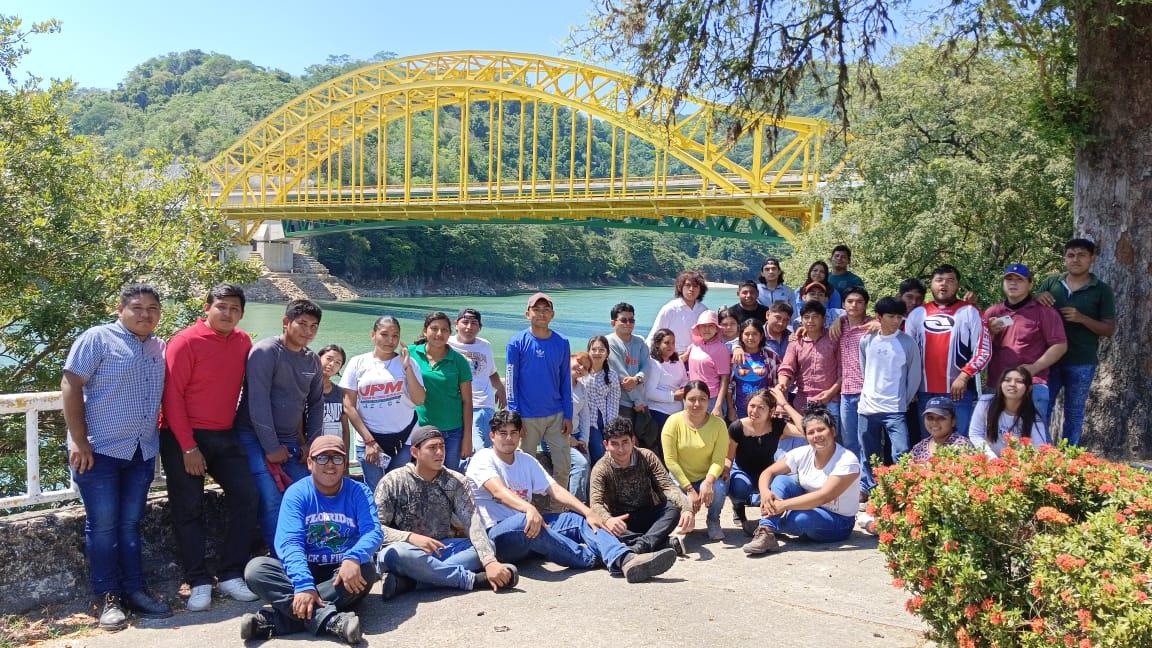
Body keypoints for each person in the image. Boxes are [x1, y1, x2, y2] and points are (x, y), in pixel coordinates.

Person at [61, 284, 173, 629]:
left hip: (141, 450)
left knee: (130, 523)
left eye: (152, 308)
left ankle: (135, 591)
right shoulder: (97, 338)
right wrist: (79, 441)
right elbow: (70, 384)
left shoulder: (159, 346)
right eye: (137, 307)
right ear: (120, 309)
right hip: (100, 450)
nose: (145, 314)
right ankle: (109, 598)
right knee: (104, 524)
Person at [466, 410, 679, 583]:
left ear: (521, 434)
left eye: (513, 432)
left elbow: (556, 490)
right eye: (502, 433)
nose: (509, 438)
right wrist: (530, 508)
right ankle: (600, 558)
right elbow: (498, 492)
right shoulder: (482, 458)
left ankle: (625, 558)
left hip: (530, 527)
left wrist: (588, 512)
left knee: (577, 520)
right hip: (498, 534)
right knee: (529, 519)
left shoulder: (525, 461)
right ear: (492, 436)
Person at [158, 284, 260, 612]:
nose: (227, 313)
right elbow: (171, 395)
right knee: (188, 507)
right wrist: (188, 447)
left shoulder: (243, 342)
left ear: (241, 314)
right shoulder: (184, 341)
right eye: (221, 307)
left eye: (234, 308)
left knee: (247, 496)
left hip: (224, 434)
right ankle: (198, 579)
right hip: (182, 435)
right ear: (207, 307)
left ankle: (231, 573)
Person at [240, 437, 381, 644]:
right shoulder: (297, 493)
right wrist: (304, 584)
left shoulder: (359, 491)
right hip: (303, 568)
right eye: (322, 458)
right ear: (310, 463)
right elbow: (289, 542)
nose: (330, 464)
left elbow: (373, 532)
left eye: (337, 458)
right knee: (256, 570)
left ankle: (273, 621)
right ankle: (331, 620)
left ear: (344, 464)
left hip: (340, 572)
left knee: (366, 570)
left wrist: (353, 558)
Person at [374, 426, 518, 598]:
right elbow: (375, 530)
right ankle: (474, 580)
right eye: (432, 447)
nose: (439, 452)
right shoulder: (393, 481)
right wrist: (410, 538)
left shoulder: (456, 481)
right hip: (406, 550)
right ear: (414, 452)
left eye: (442, 446)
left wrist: (490, 562)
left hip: (442, 549)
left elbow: (472, 522)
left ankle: (413, 581)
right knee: (396, 554)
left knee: (488, 546)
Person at [234, 299, 325, 550]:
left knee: (306, 493)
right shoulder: (266, 352)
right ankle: (282, 559)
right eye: (302, 324)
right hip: (254, 436)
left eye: (313, 326)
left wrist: (313, 444)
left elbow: (316, 404)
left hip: (290, 440)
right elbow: (258, 402)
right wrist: (271, 447)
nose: (308, 331)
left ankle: (311, 552)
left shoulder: (312, 361)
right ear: (286, 323)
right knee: (272, 498)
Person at [743, 406, 861, 554]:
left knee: (800, 518)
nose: (816, 435)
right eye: (811, 432)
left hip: (838, 521)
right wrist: (765, 492)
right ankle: (767, 529)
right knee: (781, 480)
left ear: (833, 431)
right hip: (809, 505)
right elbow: (769, 472)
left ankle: (770, 524)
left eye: (821, 429)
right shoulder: (804, 453)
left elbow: (823, 496)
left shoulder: (847, 460)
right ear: (806, 437)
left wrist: (783, 506)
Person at [1035, 238, 1116, 446]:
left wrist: (1082, 318)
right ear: (1064, 259)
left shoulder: (1102, 290)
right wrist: (1038, 297)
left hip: (1082, 360)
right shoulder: (1051, 283)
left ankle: (1069, 456)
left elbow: (1109, 329)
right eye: (1071, 255)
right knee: (1042, 407)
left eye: (1081, 255)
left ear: (1092, 259)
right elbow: (1031, 313)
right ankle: (1044, 451)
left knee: (1074, 412)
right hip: (1048, 359)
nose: (1075, 260)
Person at [341, 316, 426, 494]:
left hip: (404, 439)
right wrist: (369, 440)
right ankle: (376, 523)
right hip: (370, 441)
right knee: (376, 491)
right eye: (384, 334)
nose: (390, 340)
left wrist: (407, 366)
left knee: (400, 491)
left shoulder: (409, 363)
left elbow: (419, 400)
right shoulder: (358, 363)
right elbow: (349, 405)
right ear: (373, 335)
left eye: (395, 336)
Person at [904, 264, 991, 437]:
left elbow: (983, 351)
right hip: (924, 392)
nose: (944, 285)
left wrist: (964, 376)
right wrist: (910, 386)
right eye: (939, 280)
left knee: (960, 443)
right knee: (929, 443)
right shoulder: (917, 314)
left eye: (950, 280)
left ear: (958, 285)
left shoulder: (970, 311)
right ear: (931, 284)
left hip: (959, 391)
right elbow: (907, 355)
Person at [589, 418, 694, 557]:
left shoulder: (647, 456)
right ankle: (660, 543)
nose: (621, 449)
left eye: (625, 442)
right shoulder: (600, 468)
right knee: (600, 526)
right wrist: (608, 520)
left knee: (673, 508)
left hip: (649, 514)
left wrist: (687, 508)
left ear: (633, 441)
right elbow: (595, 503)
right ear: (606, 445)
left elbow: (668, 487)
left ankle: (640, 545)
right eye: (615, 444)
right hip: (621, 522)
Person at [507, 292, 574, 489]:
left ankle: (559, 510)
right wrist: (515, 417)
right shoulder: (516, 342)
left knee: (563, 466)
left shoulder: (562, 342)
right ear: (527, 314)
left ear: (552, 314)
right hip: (527, 417)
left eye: (546, 310)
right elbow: (511, 381)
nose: (541, 314)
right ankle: (527, 510)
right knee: (522, 466)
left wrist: (568, 415)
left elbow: (565, 381)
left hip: (556, 416)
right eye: (536, 310)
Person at [983, 264, 1067, 419]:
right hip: (997, 384)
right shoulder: (993, 312)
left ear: (1030, 284)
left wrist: (1034, 368)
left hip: (1031, 384)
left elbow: (1060, 345)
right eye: (1009, 279)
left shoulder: (1044, 311)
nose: (1013, 283)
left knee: (1033, 437)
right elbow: (979, 350)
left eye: (1019, 280)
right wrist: (990, 333)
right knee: (995, 436)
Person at [857, 297, 922, 493]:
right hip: (868, 407)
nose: (896, 321)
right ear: (879, 317)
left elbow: (914, 374)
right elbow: (864, 368)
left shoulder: (907, 342)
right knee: (868, 452)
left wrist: (905, 398)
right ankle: (869, 488)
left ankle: (902, 487)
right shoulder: (867, 340)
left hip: (895, 408)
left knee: (901, 450)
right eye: (891, 316)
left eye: (899, 317)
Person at [726, 386, 804, 536]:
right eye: (752, 406)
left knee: (779, 488)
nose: (754, 411)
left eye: (761, 408)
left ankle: (766, 524)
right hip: (743, 471)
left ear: (771, 410)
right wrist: (725, 471)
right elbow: (729, 457)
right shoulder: (737, 427)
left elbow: (806, 430)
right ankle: (738, 506)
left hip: (768, 473)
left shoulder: (778, 426)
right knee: (739, 487)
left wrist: (785, 405)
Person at [661, 381, 730, 540]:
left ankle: (713, 521)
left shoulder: (718, 425)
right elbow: (670, 461)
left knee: (719, 488)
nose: (697, 404)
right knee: (681, 518)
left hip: (705, 477)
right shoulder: (673, 422)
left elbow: (719, 460)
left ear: (709, 400)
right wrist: (690, 490)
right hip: (679, 479)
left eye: (703, 399)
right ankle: (684, 519)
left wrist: (708, 481)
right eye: (692, 399)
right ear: (684, 400)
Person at [409, 311, 474, 470]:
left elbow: (467, 401)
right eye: (434, 328)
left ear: (450, 333)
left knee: (449, 477)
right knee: (421, 477)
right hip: (420, 430)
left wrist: (467, 438)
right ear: (425, 331)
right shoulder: (410, 353)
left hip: (452, 432)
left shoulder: (458, 361)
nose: (439, 333)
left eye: (444, 330)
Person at [448, 308, 508, 453]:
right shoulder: (446, 344)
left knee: (488, 450)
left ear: (480, 327)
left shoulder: (485, 345)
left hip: (484, 406)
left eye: (474, 323)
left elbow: (491, 372)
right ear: (456, 324)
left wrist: (500, 389)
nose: (469, 327)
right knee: (475, 450)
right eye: (465, 322)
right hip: (458, 405)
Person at [831, 286, 873, 466]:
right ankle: (853, 479)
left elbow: (895, 328)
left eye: (859, 302)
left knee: (868, 440)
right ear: (843, 304)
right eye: (850, 301)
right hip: (846, 392)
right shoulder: (839, 326)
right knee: (849, 441)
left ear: (865, 305)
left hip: (867, 392)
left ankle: (868, 482)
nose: (854, 305)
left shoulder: (872, 326)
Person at [778, 301, 841, 419]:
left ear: (824, 319)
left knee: (832, 436)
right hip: (803, 401)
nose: (810, 321)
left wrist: (830, 393)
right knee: (805, 436)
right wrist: (782, 384)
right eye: (806, 317)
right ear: (801, 320)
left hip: (830, 401)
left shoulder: (834, 339)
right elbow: (786, 368)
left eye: (815, 317)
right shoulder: (796, 342)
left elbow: (842, 372)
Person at [607, 302, 655, 455]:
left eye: (631, 320)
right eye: (624, 320)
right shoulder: (609, 342)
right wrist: (637, 400)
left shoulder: (639, 342)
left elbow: (647, 366)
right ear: (613, 322)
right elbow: (620, 374)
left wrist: (638, 378)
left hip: (640, 401)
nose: (628, 323)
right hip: (623, 403)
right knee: (627, 443)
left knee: (650, 439)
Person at [970, 367, 1050, 458]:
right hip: (989, 463)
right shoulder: (985, 403)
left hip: (1018, 466)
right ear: (1000, 384)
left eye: (1019, 381)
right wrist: (993, 459)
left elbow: (1039, 448)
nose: (1012, 384)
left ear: (1029, 389)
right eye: (1007, 380)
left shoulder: (1033, 416)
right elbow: (975, 434)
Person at [644, 328, 688, 457]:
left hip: (678, 413)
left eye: (673, 343)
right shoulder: (654, 363)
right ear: (657, 344)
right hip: (659, 413)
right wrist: (673, 396)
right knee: (665, 451)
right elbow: (649, 392)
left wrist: (685, 388)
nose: (671, 346)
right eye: (667, 343)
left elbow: (684, 380)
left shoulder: (678, 361)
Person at [727, 319, 780, 420]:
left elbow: (776, 384)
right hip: (739, 409)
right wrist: (730, 408)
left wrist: (775, 407)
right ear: (741, 336)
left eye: (755, 334)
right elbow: (729, 386)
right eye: (747, 334)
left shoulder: (770, 356)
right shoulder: (733, 356)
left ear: (761, 336)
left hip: (763, 409)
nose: (750, 337)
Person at [647, 270, 709, 354]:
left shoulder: (704, 310)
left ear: (700, 289)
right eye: (687, 285)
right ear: (680, 287)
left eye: (695, 286)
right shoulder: (670, 309)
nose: (691, 289)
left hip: (696, 356)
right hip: (673, 357)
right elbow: (655, 335)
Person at [582, 335, 621, 467]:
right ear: (588, 351)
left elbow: (613, 404)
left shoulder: (611, 376)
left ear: (607, 353)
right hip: (584, 421)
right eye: (594, 349)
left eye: (601, 350)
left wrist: (609, 430)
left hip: (601, 422)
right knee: (595, 455)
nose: (597, 353)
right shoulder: (581, 372)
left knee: (602, 453)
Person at [684, 310, 731, 418]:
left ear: (716, 329)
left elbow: (724, 379)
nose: (706, 329)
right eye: (703, 326)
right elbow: (681, 359)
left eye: (711, 326)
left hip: (711, 400)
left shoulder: (721, 349)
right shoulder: (694, 345)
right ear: (698, 328)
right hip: (692, 396)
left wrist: (718, 406)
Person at [908, 396, 975, 463]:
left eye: (941, 418)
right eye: (930, 418)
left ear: (953, 421)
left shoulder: (962, 446)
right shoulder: (919, 448)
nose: (934, 422)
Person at [566, 353, 594, 500]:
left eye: (586, 368)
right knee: (581, 464)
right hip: (558, 437)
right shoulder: (558, 383)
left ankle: (590, 505)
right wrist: (568, 439)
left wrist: (584, 439)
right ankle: (576, 508)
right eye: (579, 362)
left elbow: (585, 416)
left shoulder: (582, 388)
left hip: (577, 436)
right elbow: (553, 415)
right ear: (569, 359)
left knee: (588, 466)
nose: (581, 367)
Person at [318, 345, 349, 449]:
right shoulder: (304, 390)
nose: (332, 364)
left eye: (337, 363)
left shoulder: (340, 392)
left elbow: (345, 429)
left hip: (335, 451)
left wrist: (345, 457)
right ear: (318, 358)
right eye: (329, 359)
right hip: (311, 450)